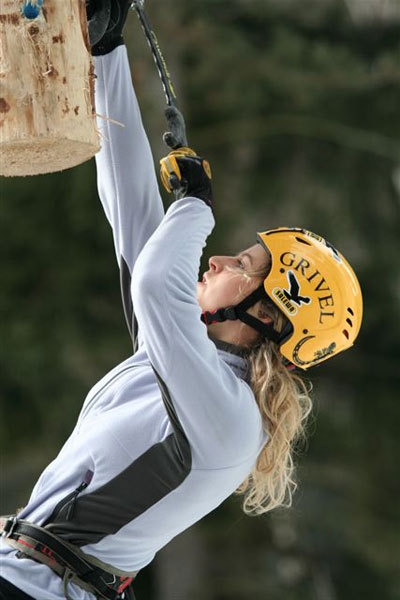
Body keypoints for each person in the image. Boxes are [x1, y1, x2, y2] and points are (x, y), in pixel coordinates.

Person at [0, 2, 363, 599]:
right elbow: (132, 210)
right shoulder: (181, 358)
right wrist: (106, 51)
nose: (218, 259)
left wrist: (196, 206)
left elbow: (153, 284)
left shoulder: (230, 421)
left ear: (265, 316)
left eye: (242, 266)